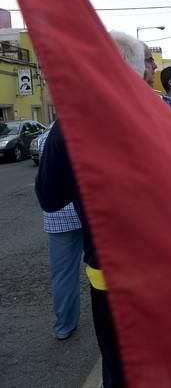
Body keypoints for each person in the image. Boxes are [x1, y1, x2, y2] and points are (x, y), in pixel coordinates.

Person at [36, 30, 148, 387]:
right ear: (137, 69)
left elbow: (51, 198)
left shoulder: (71, 126)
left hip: (112, 273)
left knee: (121, 365)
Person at [39, 126, 83, 341]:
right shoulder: (88, 131)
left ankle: (64, 326)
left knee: (64, 274)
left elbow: (45, 179)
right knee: (105, 269)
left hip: (59, 216)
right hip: (89, 210)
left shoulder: (46, 137)